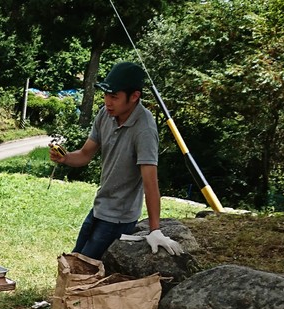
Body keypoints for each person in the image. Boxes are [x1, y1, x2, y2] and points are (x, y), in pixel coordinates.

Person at [49, 61, 183, 259]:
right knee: (75, 260)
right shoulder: (105, 114)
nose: (107, 102)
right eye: (105, 95)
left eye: (114, 97)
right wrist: (65, 157)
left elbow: (150, 183)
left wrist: (155, 230)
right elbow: (85, 154)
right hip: (99, 207)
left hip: (119, 218)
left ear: (135, 96)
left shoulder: (144, 129)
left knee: (86, 268)